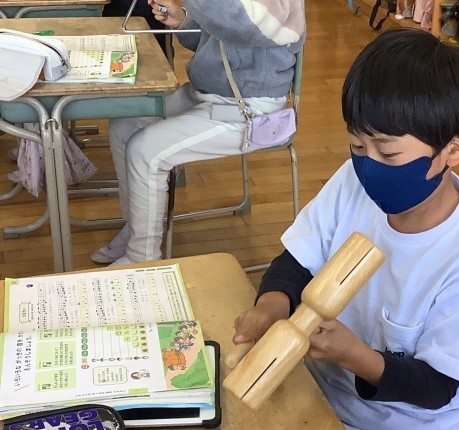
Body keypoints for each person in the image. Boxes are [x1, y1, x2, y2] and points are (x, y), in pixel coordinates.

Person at [231, 28, 459, 430]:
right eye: (358, 146)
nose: (367, 166)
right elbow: (299, 258)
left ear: (454, 149)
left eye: (388, 152)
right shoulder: (352, 182)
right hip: (320, 397)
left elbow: (438, 387)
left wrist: (354, 355)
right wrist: (271, 307)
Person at [91, 0, 306, 265]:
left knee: (145, 150)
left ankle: (141, 258)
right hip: (210, 93)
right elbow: (217, 37)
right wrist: (183, 21)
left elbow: (244, 25)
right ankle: (136, 228)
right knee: (124, 126)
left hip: (250, 106)